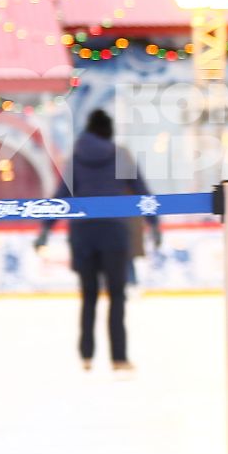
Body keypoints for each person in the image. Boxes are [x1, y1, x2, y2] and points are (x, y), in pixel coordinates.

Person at [33, 110, 160, 375]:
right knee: (116, 296)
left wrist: (45, 229)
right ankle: (119, 358)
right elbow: (141, 191)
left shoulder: (75, 159)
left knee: (88, 296)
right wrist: (154, 223)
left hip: (82, 234)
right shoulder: (121, 154)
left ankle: (87, 356)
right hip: (114, 232)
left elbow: (60, 196)